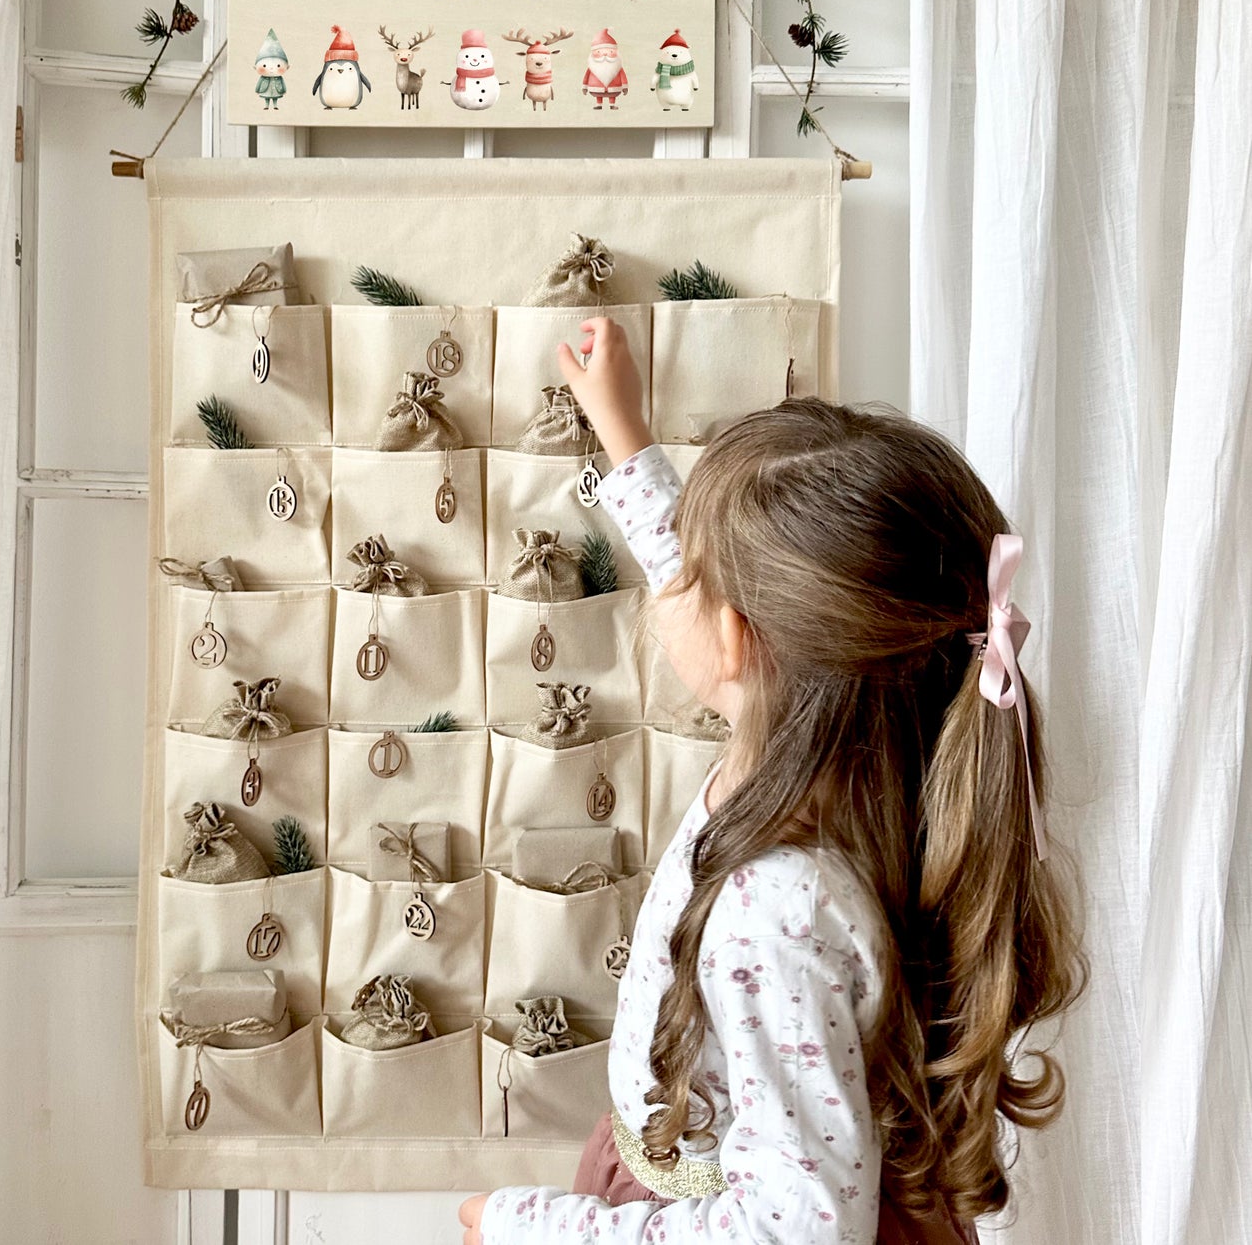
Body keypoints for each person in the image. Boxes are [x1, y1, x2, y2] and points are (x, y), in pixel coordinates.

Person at [460, 318, 1086, 1245]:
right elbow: (709, 582)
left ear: (740, 639)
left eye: (696, 573)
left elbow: (791, 1231)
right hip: (737, 1172)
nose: (669, 577)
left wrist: (533, 1228)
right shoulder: (849, 750)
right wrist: (623, 437)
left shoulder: (773, 907)